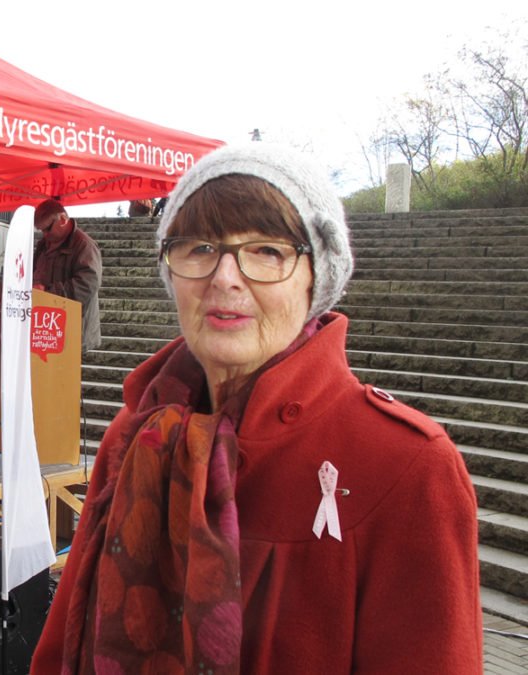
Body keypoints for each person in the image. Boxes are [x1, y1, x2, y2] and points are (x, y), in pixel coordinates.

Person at [31, 144, 482, 673]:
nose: (225, 277)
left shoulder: (406, 467)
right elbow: (60, 648)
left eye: (267, 251)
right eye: (199, 247)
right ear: (170, 271)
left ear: (316, 275)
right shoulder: (134, 435)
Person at [32, 199, 102, 352]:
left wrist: (47, 293)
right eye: (41, 230)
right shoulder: (44, 244)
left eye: (47, 229)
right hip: (46, 329)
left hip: (72, 330)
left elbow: (87, 285)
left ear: (63, 220)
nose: (44, 234)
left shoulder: (85, 245)